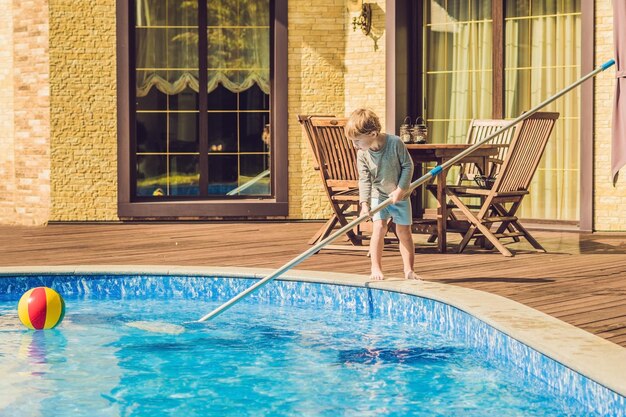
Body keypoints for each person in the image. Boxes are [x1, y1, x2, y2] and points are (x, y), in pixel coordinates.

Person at [345, 108, 421, 281]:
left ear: (372, 133)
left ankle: (409, 270)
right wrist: (364, 204)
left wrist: (401, 190)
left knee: (404, 232)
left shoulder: (395, 143)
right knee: (379, 228)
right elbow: (364, 179)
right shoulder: (362, 154)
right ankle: (376, 268)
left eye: (357, 140)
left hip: (400, 196)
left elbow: (408, 166)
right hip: (378, 195)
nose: (354, 145)